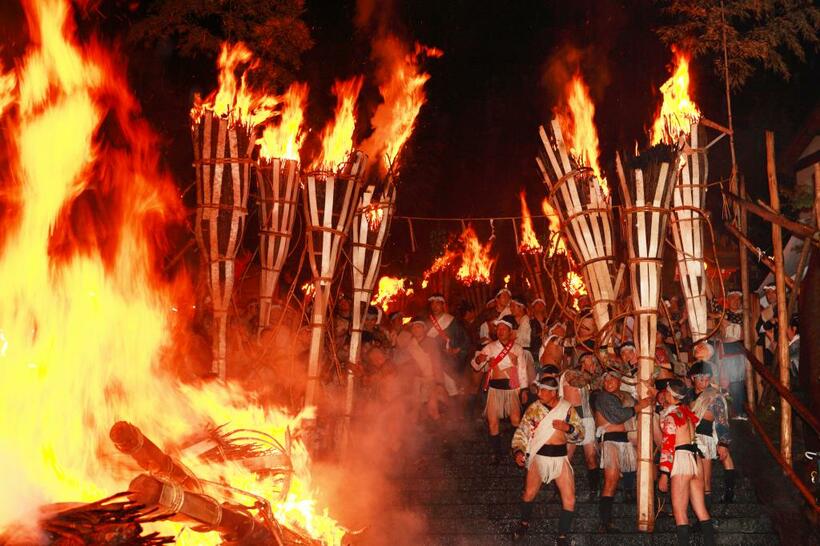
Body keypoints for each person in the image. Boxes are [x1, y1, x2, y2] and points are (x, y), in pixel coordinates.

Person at [511, 370, 584, 543]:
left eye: (544, 390)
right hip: (539, 456)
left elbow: (581, 434)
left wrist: (569, 429)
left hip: (560, 458)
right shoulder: (534, 409)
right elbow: (522, 431)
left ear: (553, 392)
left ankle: (562, 535)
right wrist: (519, 451)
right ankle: (523, 523)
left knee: (570, 498)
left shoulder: (567, 409)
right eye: (539, 390)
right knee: (529, 493)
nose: (540, 393)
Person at [591, 370, 655, 532]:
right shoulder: (603, 397)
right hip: (610, 439)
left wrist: (650, 397)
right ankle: (604, 522)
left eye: (612, 380)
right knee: (611, 480)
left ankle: (629, 494)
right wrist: (640, 406)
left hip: (624, 439)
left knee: (634, 469)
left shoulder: (626, 396)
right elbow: (618, 416)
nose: (608, 383)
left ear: (620, 381)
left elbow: (641, 406)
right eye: (605, 381)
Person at [658, 380, 715, 546]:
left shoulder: (671, 417)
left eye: (666, 392)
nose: (664, 394)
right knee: (701, 510)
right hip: (695, 459)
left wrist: (664, 474)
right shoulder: (687, 413)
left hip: (681, 460)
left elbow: (668, 446)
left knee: (680, 511)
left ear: (671, 395)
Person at [471, 315, 529, 465]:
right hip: (494, 389)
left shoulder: (517, 348)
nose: (501, 331)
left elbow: (522, 370)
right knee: (493, 422)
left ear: (511, 332)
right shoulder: (490, 347)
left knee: (516, 420)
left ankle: (518, 450)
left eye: (504, 329)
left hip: (512, 388)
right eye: (499, 328)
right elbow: (478, 364)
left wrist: (524, 390)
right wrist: (479, 360)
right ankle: (497, 454)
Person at [687, 361, 735, 506]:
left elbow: (722, 421)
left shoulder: (714, 396)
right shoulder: (686, 396)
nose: (704, 382)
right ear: (693, 378)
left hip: (705, 439)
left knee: (705, 480)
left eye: (707, 378)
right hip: (688, 440)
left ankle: (708, 511)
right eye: (701, 378)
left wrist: (723, 443)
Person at [560, 353, 601, 501]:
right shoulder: (570, 374)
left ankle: (594, 490)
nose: (593, 367)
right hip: (570, 418)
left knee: (591, 457)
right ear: (582, 362)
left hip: (586, 418)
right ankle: (561, 490)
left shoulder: (590, 379)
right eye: (590, 363)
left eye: (594, 364)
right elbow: (579, 382)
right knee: (566, 457)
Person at [426, 294, 471, 402]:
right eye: (432, 304)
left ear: (443, 305)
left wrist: (457, 350)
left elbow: (465, 339)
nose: (435, 306)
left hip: (447, 360)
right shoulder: (425, 321)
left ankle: (455, 414)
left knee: (451, 388)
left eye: (438, 303)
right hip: (429, 359)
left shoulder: (451, 321)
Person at [716, 291, 747, 419]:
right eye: (732, 298)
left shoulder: (742, 314)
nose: (736, 301)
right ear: (728, 300)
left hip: (737, 349)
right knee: (725, 382)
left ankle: (738, 411)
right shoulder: (724, 313)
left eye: (738, 298)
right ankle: (729, 412)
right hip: (726, 349)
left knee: (737, 382)